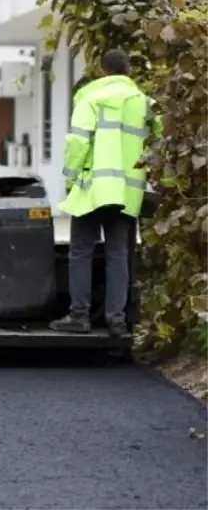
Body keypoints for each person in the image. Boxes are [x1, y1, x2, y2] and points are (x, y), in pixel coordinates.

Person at [50, 49, 161, 338]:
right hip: (126, 192)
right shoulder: (146, 104)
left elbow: (77, 143)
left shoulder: (90, 97)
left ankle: (79, 316)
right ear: (130, 71)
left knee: (81, 251)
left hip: (92, 189)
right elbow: (157, 144)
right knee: (119, 255)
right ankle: (117, 321)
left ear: (101, 70)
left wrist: (70, 181)